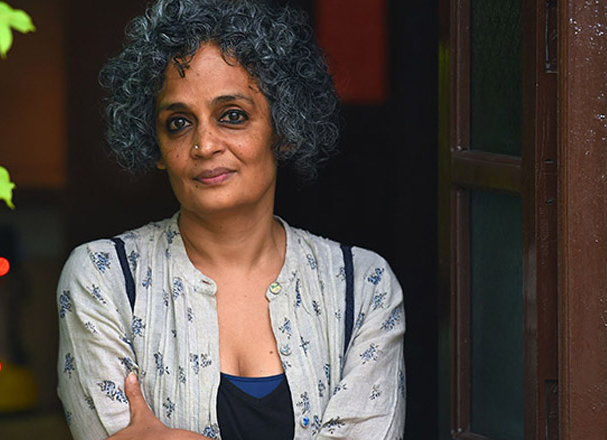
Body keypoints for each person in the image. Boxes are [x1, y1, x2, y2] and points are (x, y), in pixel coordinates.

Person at [56, 0, 406, 438]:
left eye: (232, 116)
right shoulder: (104, 279)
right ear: (155, 143)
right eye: (178, 122)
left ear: (284, 128)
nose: (204, 144)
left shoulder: (363, 287)